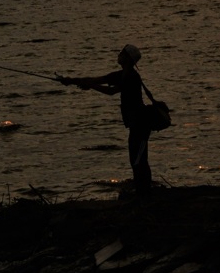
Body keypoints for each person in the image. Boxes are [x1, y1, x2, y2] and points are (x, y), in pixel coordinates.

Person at [59, 44, 153, 195]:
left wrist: (91, 85)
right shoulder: (122, 74)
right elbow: (97, 79)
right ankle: (142, 190)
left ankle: (144, 191)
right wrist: (71, 80)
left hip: (141, 124)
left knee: (139, 160)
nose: (119, 54)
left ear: (127, 58)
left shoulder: (131, 76)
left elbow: (111, 91)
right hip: (134, 124)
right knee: (135, 159)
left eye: (121, 53)